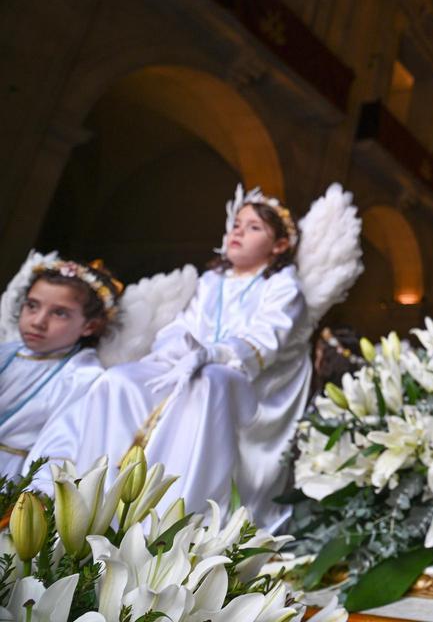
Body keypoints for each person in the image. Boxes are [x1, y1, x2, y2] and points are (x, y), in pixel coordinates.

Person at [27, 187, 310, 530]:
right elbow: (183, 325)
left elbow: (267, 338)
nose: (238, 232)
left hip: (242, 378)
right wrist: (179, 346)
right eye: (236, 224)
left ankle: (171, 516)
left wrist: (213, 354)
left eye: (253, 228)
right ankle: (89, 496)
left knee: (209, 384)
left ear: (279, 245)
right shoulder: (212, 281)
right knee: (119, 380)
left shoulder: (283, 286)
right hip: (186, 364)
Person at [0, 259, 123, 475]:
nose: (38, 321)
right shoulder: (5, 354)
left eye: (59, 313)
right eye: (32, 306)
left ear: (89, 326)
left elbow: (63, 447)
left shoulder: (82, 377)